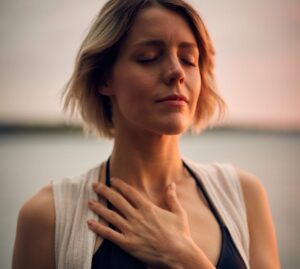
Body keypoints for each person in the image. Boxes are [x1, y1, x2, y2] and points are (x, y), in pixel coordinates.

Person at [12, 0, 281, 268]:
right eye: (149, 57)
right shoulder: (49, 216)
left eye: (189, 60)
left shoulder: (244, 196)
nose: (177, 72)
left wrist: (185, 258)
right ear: (104, 78)